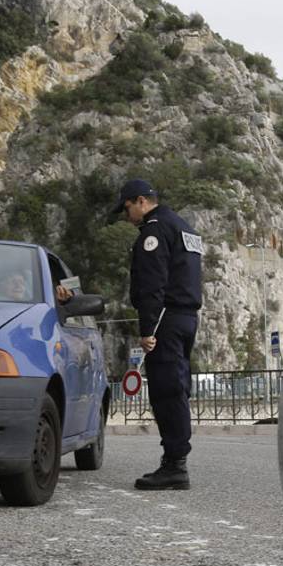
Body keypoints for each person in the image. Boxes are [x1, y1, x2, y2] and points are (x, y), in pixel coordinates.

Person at [114, 178, 203, 490]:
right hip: (187, 318)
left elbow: (153, 284)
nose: (127, 217)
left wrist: (147, 329)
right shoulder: (184, 227)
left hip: (165, 319)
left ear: (140, 201)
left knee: (166, 391)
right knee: (177, 387)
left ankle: (175, 465)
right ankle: (176, 460)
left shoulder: (155, 230)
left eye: (127, 209)